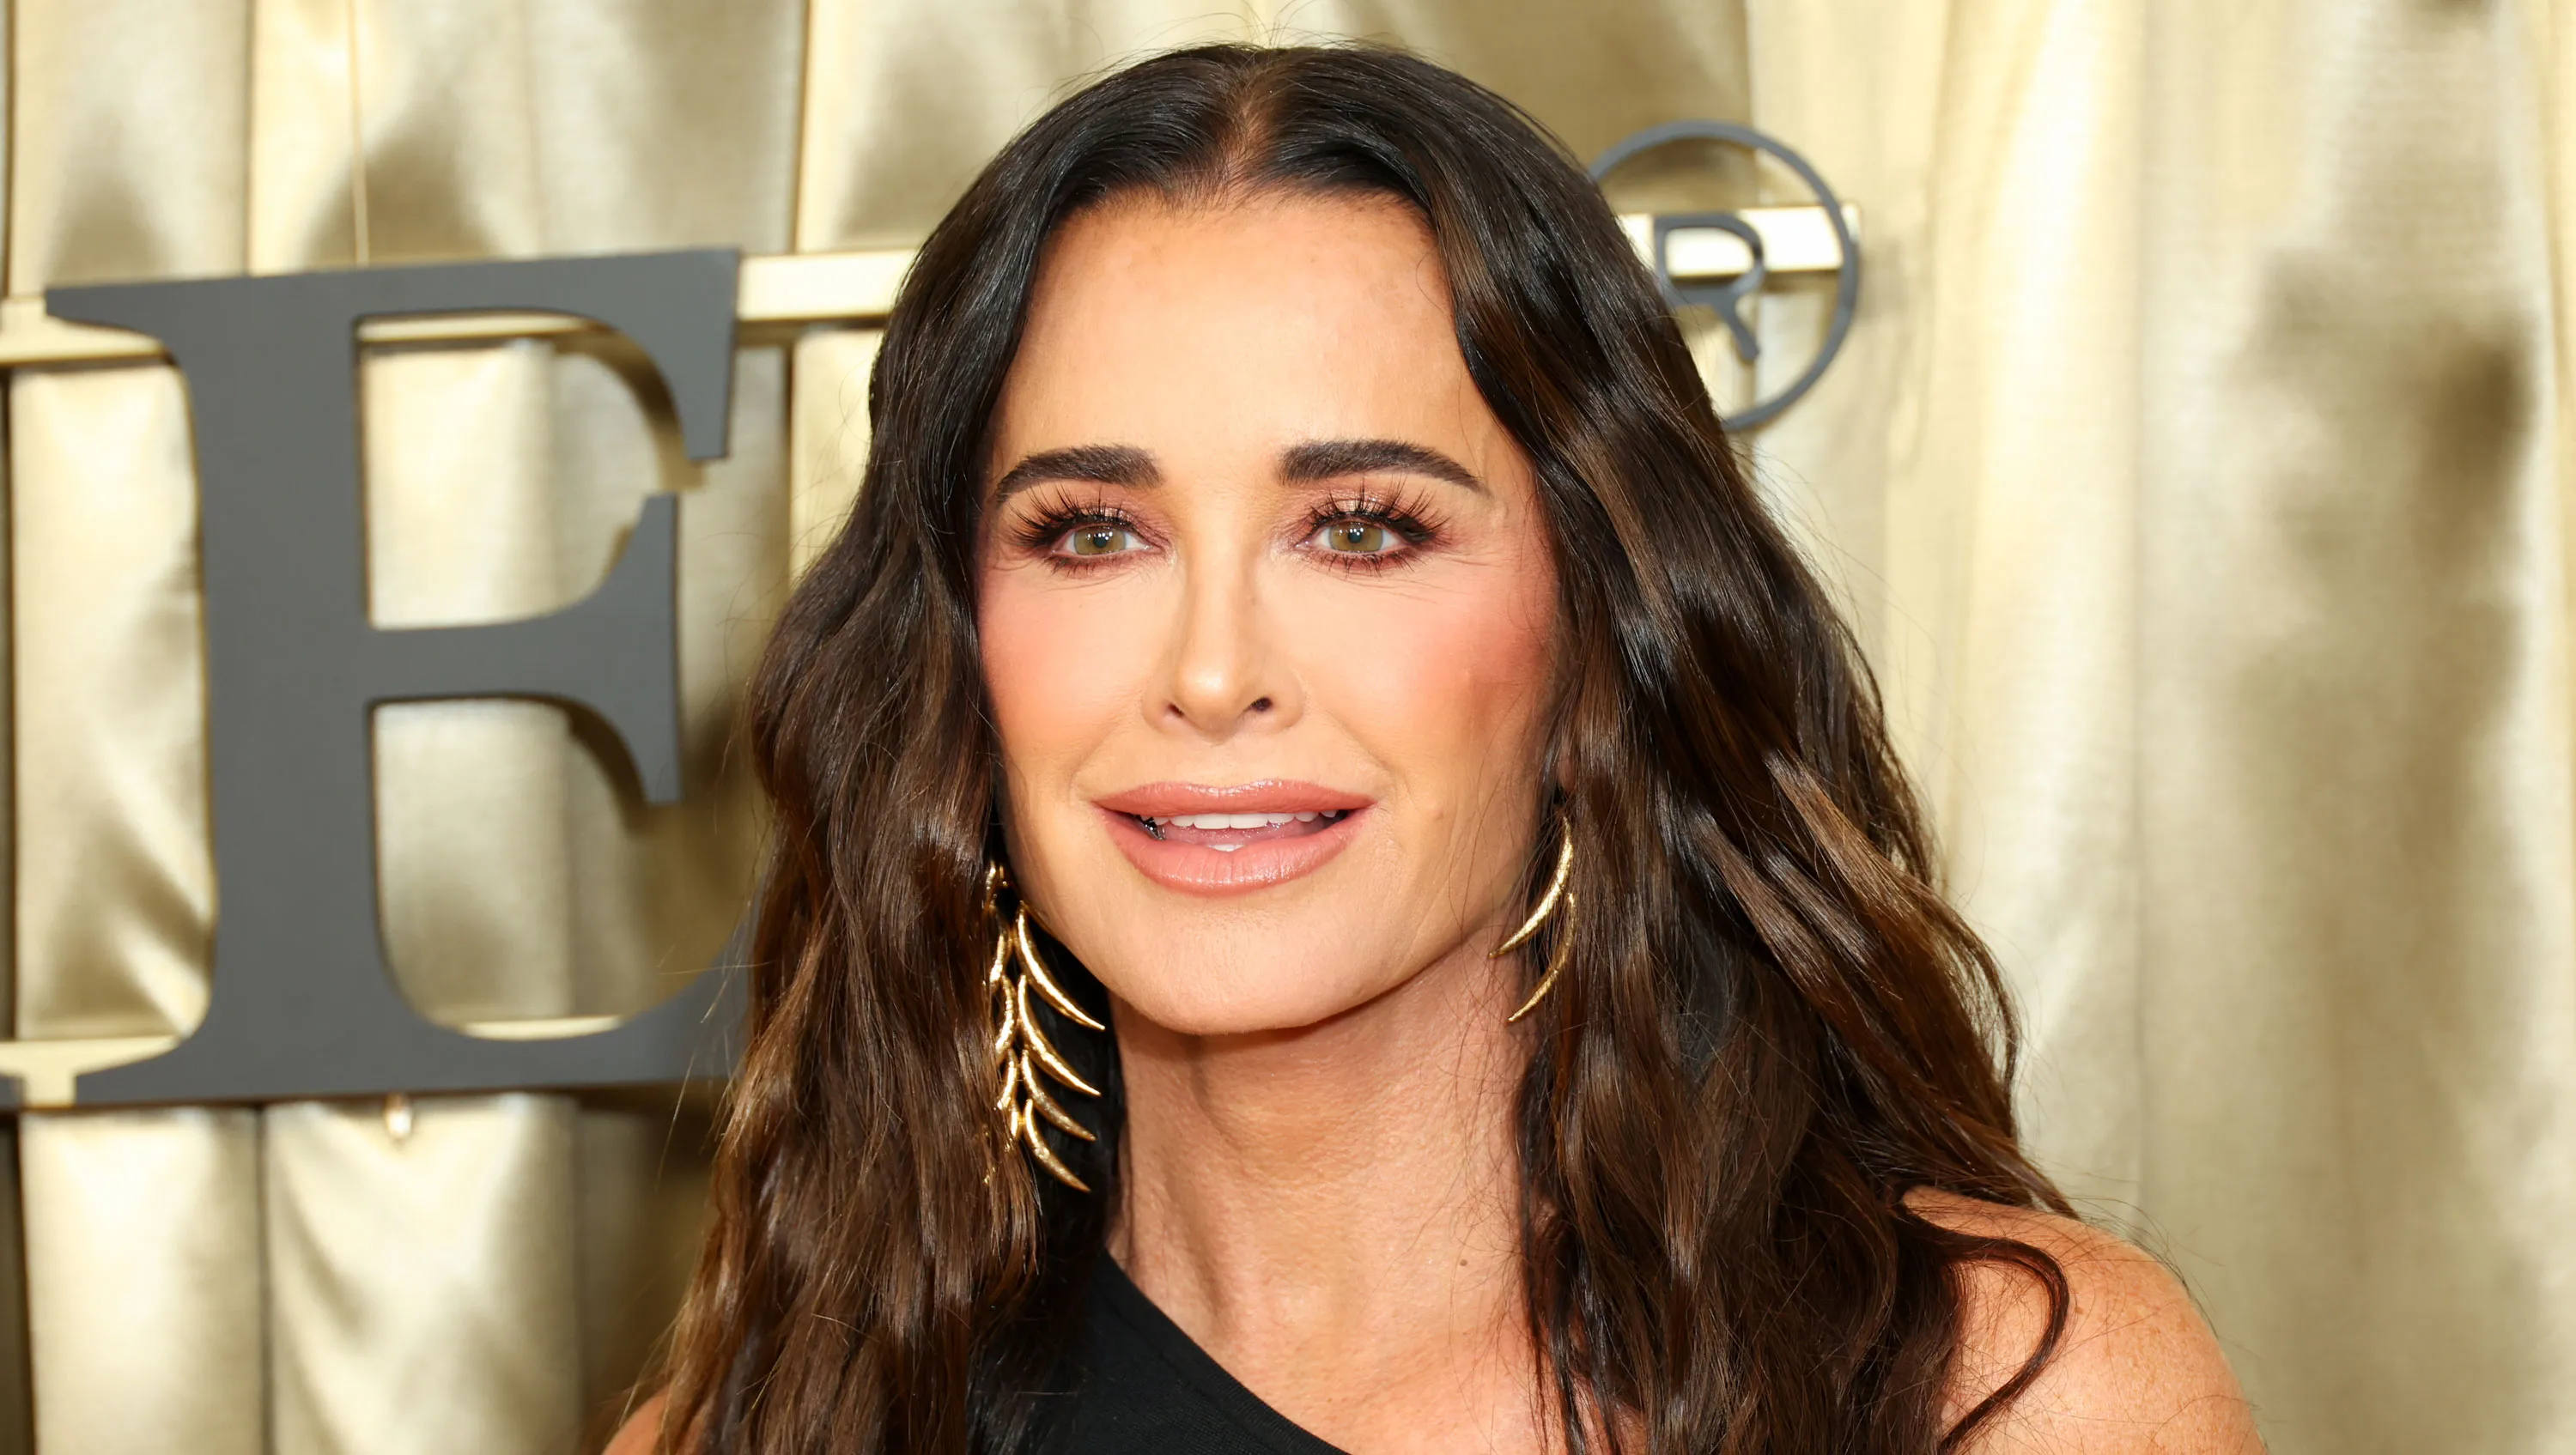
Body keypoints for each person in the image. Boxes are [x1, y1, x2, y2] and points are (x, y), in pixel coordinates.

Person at [613, 43, 2259, 1455]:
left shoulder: (1990, 1395)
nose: (1210, 670)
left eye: (1362, 527)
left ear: (1600, 637)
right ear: (954, 654)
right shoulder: (768, 1426)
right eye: (1095, 531)